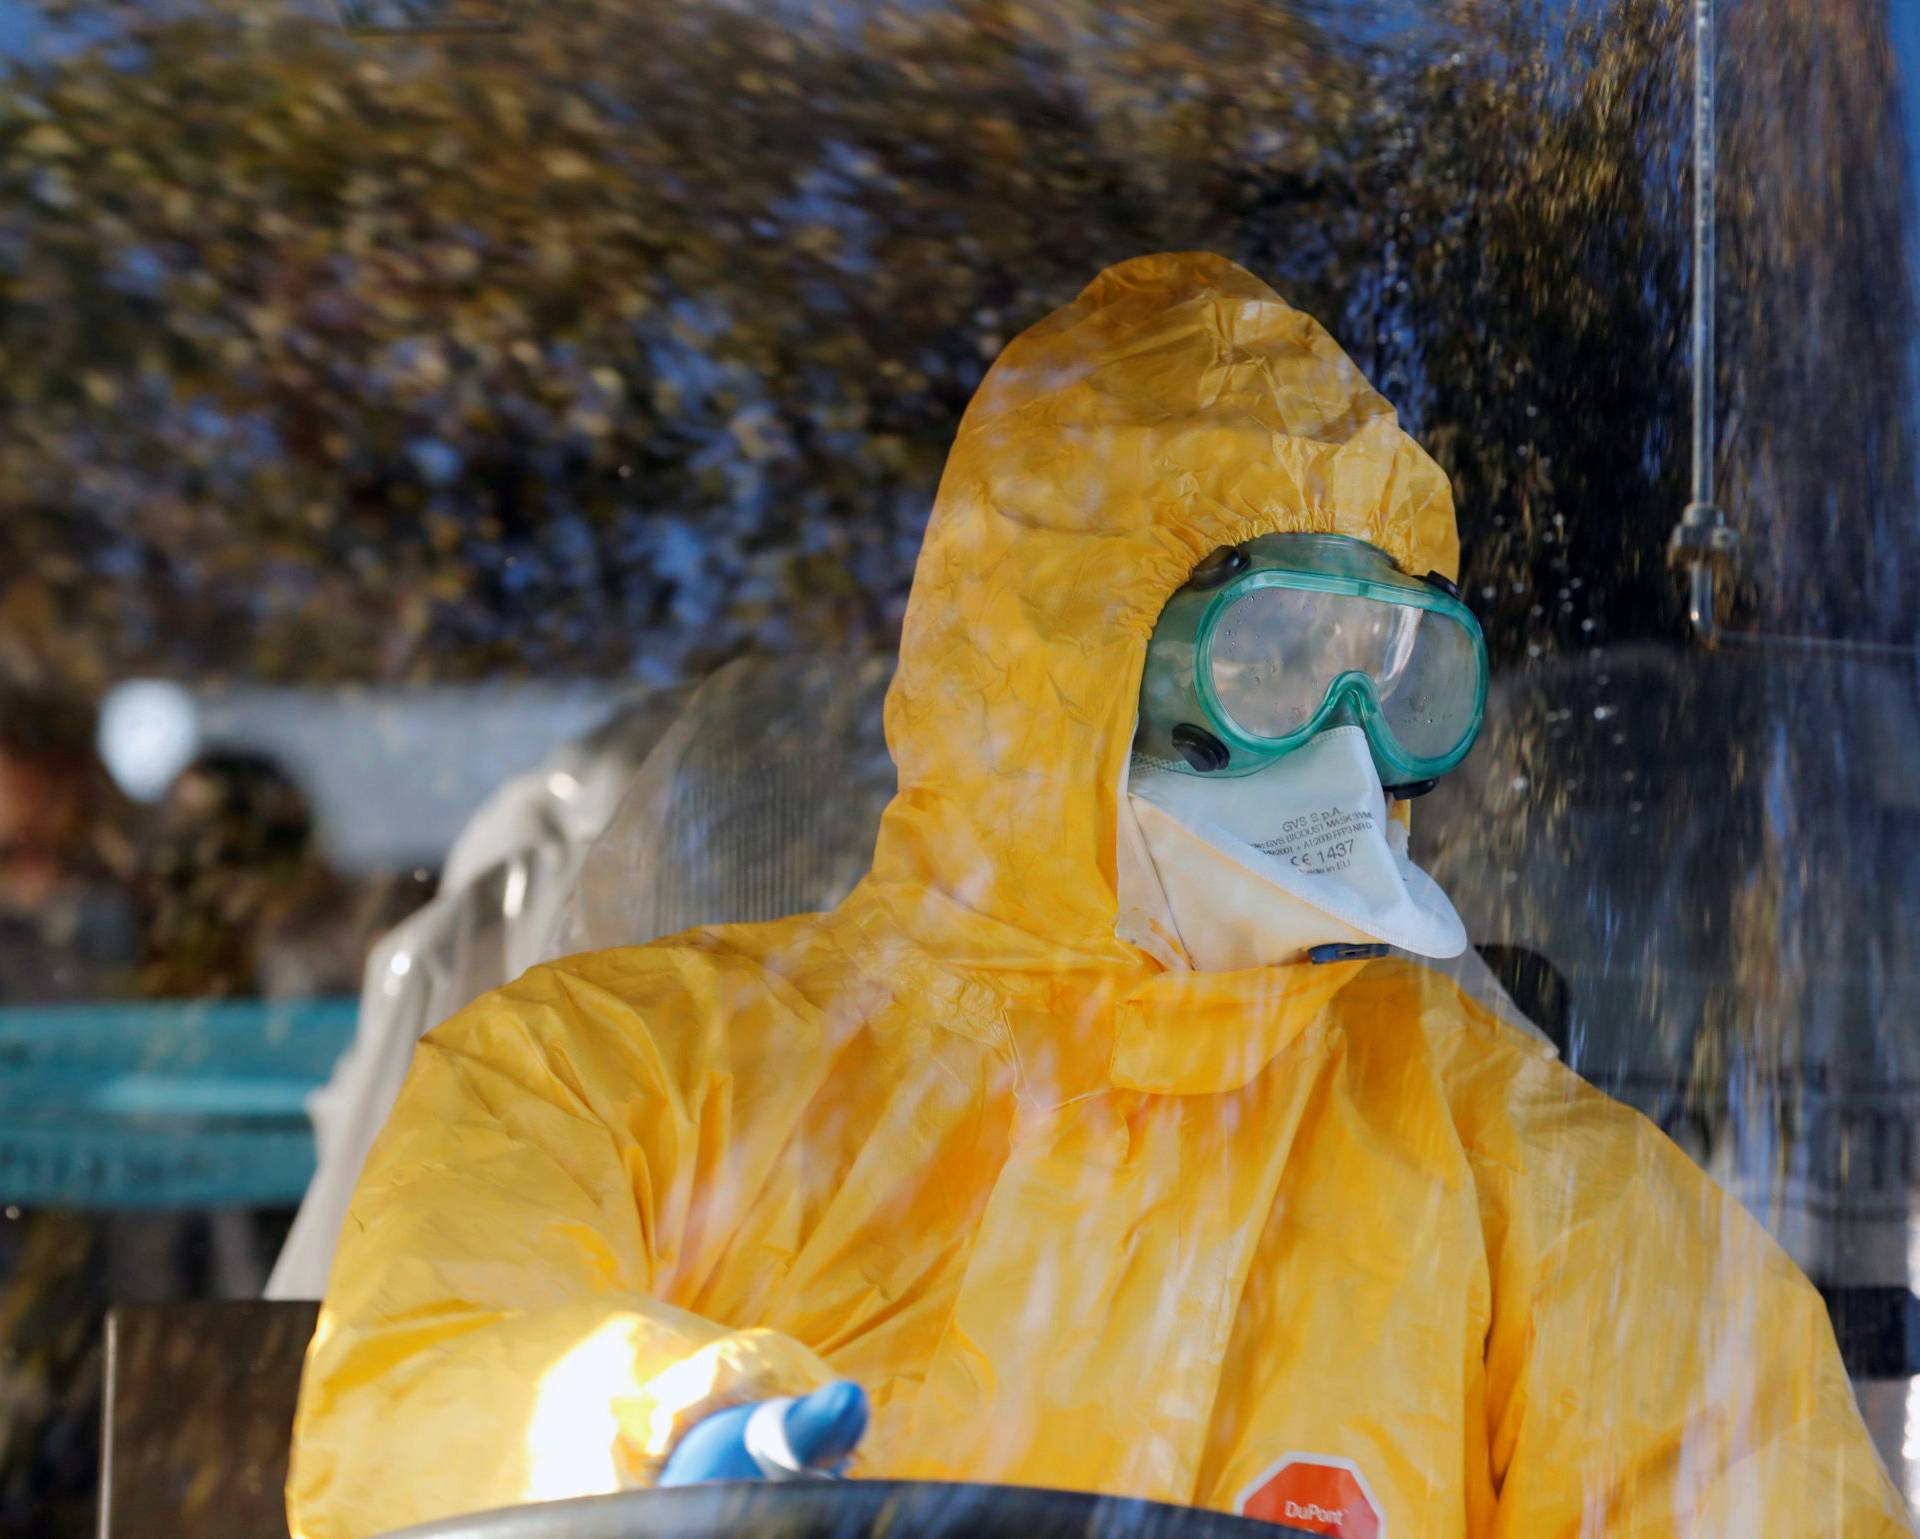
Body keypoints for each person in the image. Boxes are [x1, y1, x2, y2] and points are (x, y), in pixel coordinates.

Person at [287, 255, 1908, 1537]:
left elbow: (1737, 1486)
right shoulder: (607, 1075)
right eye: (1279, 660)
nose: (1343, 751)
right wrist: (648, 1456)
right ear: (1057, 660)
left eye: (1392, 674)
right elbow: (436, 1381)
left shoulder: (1525, 1184)